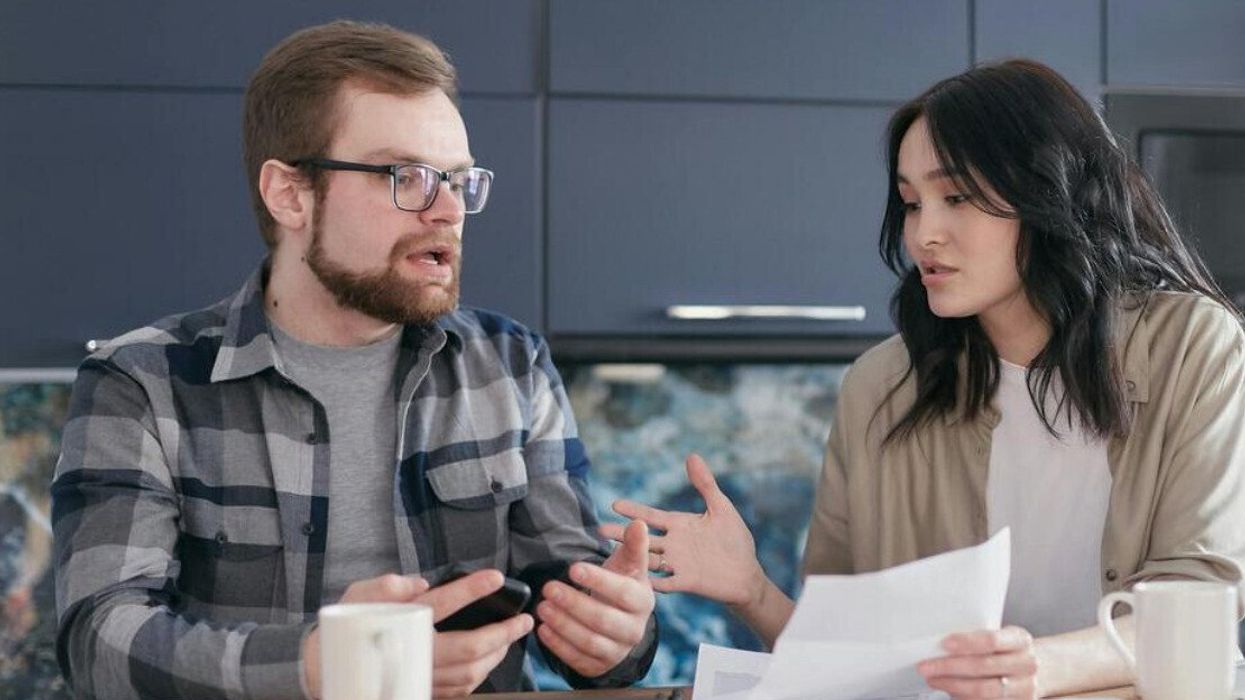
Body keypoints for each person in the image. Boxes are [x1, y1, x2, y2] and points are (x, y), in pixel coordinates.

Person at [604, 58, 1245, 699]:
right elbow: (842, 661)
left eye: (956, 197)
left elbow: (1202, 598)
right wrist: (751, 589)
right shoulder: (879, 388)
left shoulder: (1191, 346)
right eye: (911, 204)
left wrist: (1039, 669)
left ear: (1049, 193)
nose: (922, 235)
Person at [52, 21, 657, 700]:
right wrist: (316, 667)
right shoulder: (140, 383)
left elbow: (576, 600)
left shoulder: (511, 364)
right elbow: (98, 643)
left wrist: (615, 634)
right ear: (290, 195)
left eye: (458, 180)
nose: (448, 210)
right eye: (408, 177)